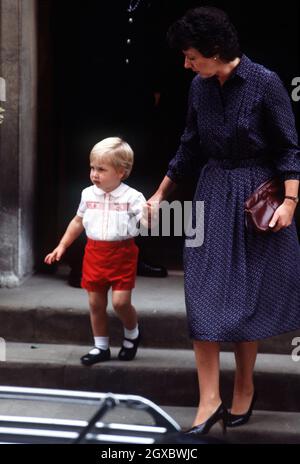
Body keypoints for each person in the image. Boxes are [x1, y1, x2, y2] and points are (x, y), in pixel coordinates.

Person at [147, 6, 300, 436]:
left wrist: (289, 202)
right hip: (211, 193)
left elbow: (289, 148)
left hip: (255, 197)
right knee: (202, 296)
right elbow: (189, 145)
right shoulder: (199, 87)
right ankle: (208, 399)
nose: (186, 63)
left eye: (191, 55)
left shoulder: (265, 83)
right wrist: (160, 193)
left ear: (215, 50)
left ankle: (244, 387)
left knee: (244, 298)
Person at [45, 137, 146, 365]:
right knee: (95, 303)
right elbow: (78, 221)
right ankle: (101, 347)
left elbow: (147, 223)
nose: (94, 174)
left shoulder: (133, 197)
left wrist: (150, 215)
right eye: (92, 167)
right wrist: (62, 245)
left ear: (121, 172)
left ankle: (132, 333)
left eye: (101, 169)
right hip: (94, 253)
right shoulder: (88, 194)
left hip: (122, 253)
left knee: (120, 302)